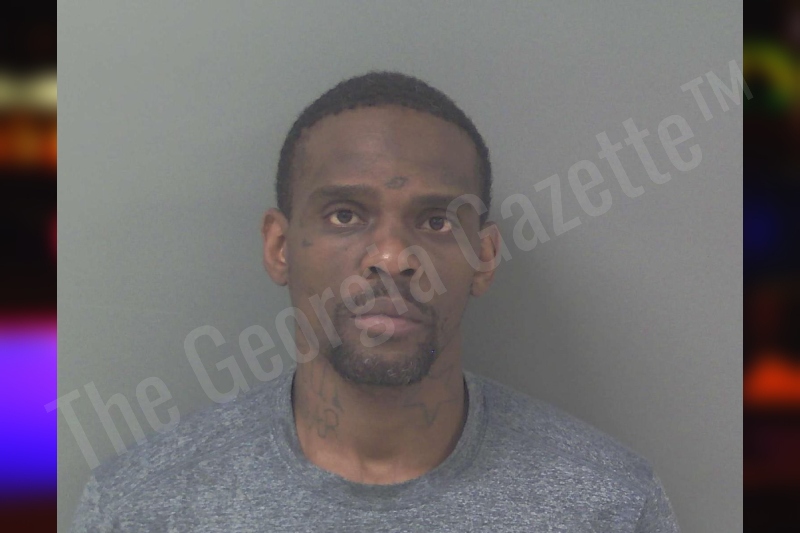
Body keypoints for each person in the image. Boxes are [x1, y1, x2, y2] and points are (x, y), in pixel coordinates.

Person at [71, 72, 680, 532]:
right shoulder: (142, 507)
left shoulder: (608, 507)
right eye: (345, 214)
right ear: (280, 248)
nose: (391, 257)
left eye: (436, 221)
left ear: (484, 257)